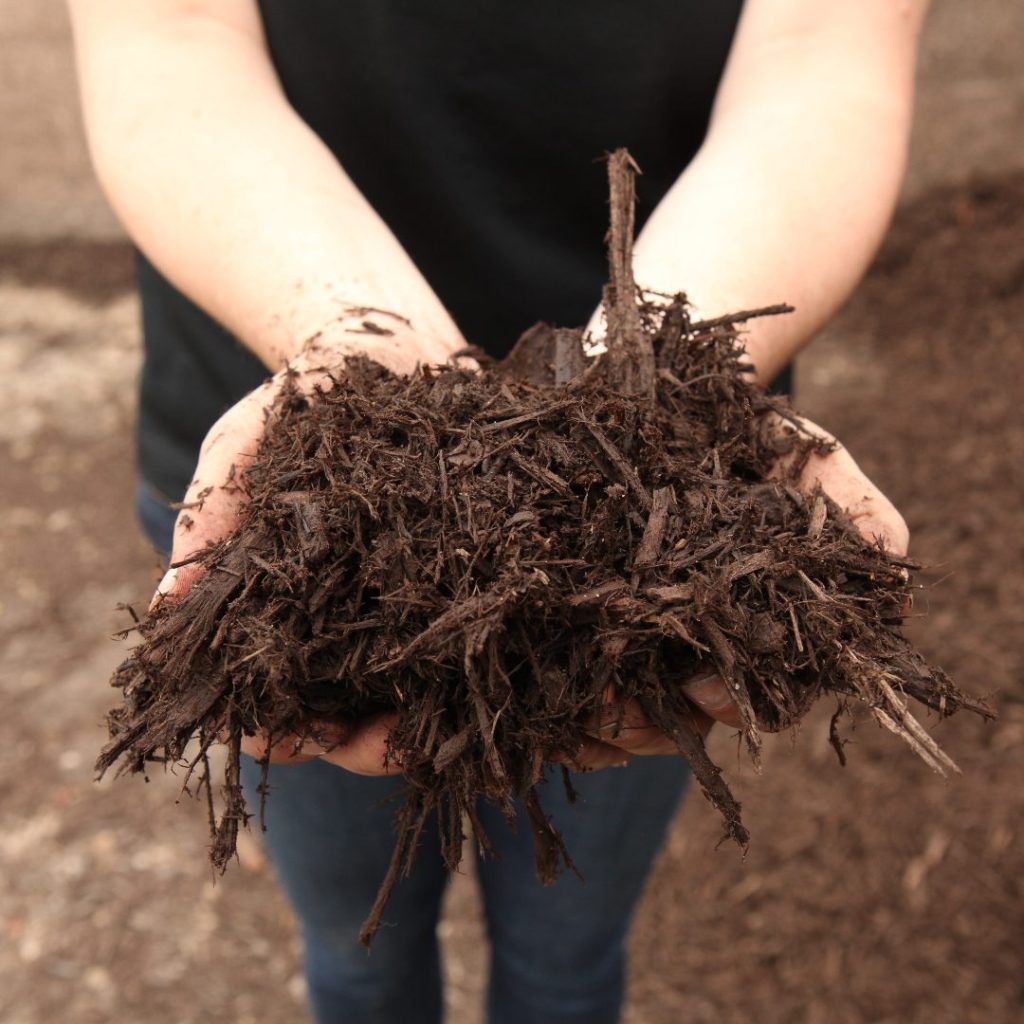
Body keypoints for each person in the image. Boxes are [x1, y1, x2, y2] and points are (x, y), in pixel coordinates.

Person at [69, 1, 927, 1021]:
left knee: (567, 953)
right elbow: (170, 36)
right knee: (356, 945)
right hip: (278, 404)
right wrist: (351, 334)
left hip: (688, 423)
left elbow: (821, 48)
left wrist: (653, 371)